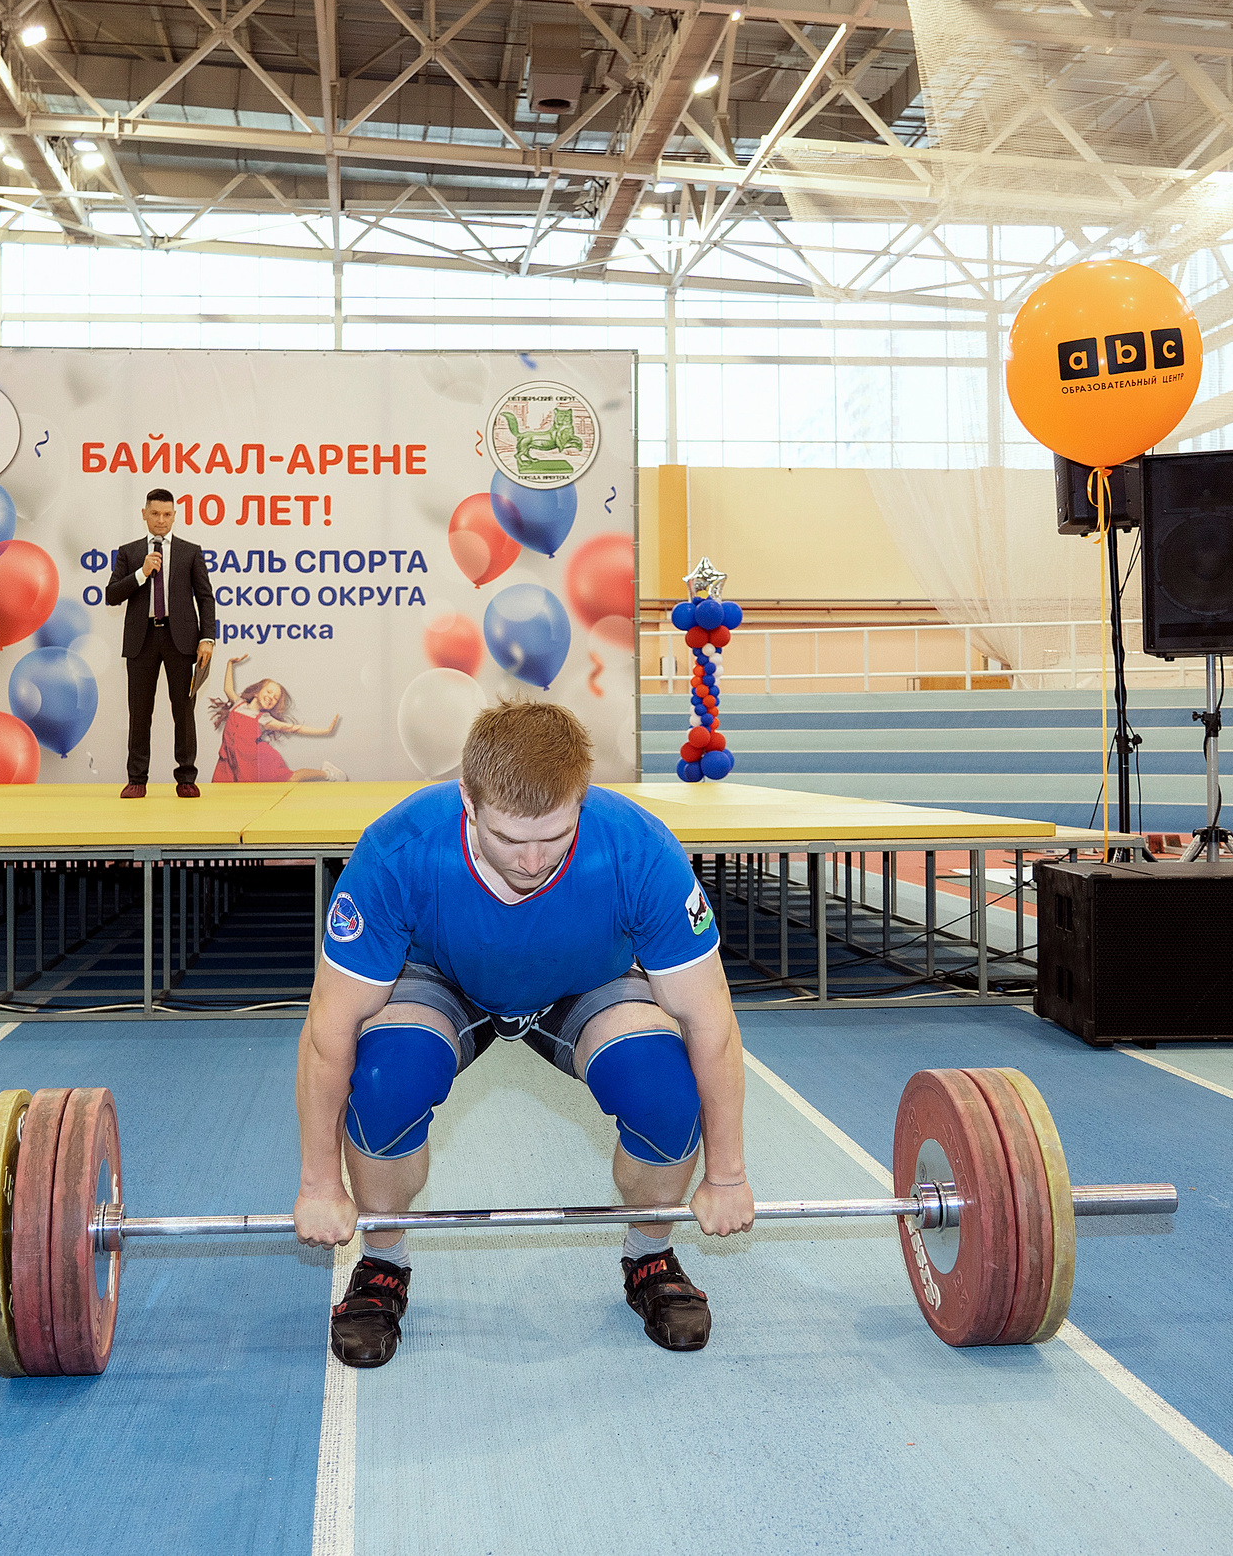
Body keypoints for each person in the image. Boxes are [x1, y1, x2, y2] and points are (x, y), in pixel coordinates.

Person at [291, 700, 751, 1369]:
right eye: (510, 837)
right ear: (467, 800)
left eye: (555, 835)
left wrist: (729, 1173)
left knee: (665, 1086)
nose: (533, 860)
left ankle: (650, 1252)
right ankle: (384, 1261)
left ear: (582, 800)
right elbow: (328, 1032)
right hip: (445, 981)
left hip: (583, 984)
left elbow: (711, 1023)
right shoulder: (401, 850)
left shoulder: (639, 849)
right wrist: (318, 1183)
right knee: (387, 1075)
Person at [103, 488, 217, 798]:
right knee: (140, 712)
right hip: (142, 640)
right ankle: (137, 778)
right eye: (155, 514)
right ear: (144, 514)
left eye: (167, 514)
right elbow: (111, 595)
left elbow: (205, 597)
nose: (161, 520)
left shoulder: (190, 551)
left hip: (180, 640)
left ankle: (186, 777)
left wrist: (207, 638)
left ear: (174, 516)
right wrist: (142, 573)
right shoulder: (129, 552)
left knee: (184, 709)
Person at [208, 654, 344, 783]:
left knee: (291, 778)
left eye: (275, 698)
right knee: (225, 791)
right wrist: (230, 664)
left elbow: (295, 728)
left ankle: (328, 773)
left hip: (256, 762)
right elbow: (228, 688)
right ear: (256, 692)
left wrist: (325, 731)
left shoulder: (264, 719)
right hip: (229, 760)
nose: (271, 697)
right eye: (269, 692)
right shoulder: (238, 704)